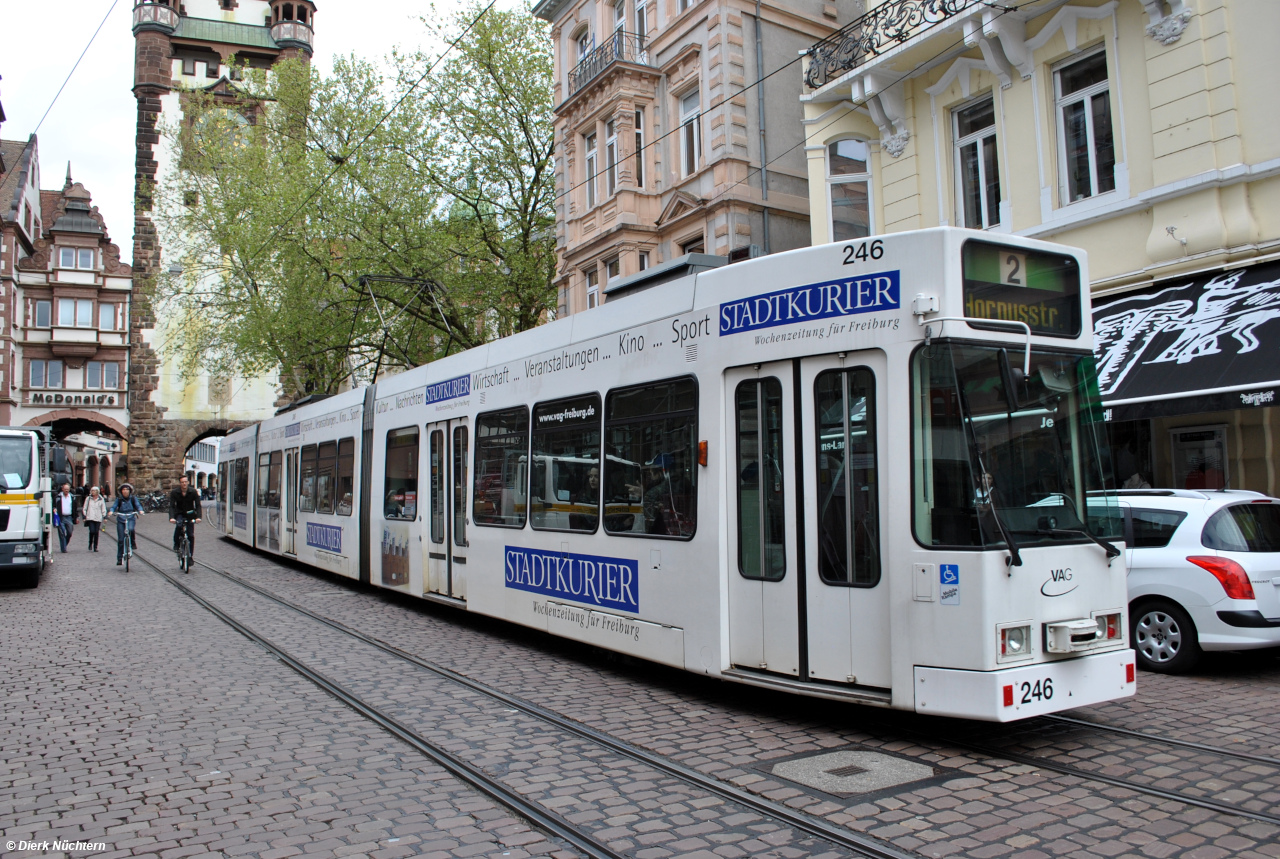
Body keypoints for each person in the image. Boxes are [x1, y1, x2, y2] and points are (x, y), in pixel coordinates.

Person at [169, 475, 202, 566]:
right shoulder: (175, 492)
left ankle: (190, 555)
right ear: (180, 483)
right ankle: (176, 544)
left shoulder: (193, 492)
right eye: (182, 482)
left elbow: (198, 505)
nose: (184, 484)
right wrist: (171, 517)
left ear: (188, 482)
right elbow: (171, 506)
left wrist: (198, 517)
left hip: (190, 514)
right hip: (179, 513)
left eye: (185, 482)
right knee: (179, 525)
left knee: (190, 535)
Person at [109, 484, 143, 565]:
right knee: (121, 539)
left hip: (130, 517)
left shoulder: (133, 498)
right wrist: (111, 511)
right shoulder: (119, 499)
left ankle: (133, 542)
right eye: (123, 490)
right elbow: (114, 506)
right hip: (121, 518)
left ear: (129, 491)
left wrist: (140, 510)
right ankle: (119, 558)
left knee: (131, 529)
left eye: (126, 490)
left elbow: (138, 506)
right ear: (121, 491)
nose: (125, 491)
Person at [54, 482, 79, 553]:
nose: (66, 490)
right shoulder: (58, 497)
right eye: (65, 489)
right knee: (62, 533)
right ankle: (63, 548)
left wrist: (76, 517)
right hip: (60, 517)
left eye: (67, 489)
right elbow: (54, 505)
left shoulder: (72, 497)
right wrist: (54, 509)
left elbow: (75, 508)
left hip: (69, 517)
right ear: (62, 489)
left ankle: (64, 544)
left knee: (70, 532)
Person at [82, 486, 107, 552]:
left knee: (96, 532)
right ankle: (90, 543)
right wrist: (84, 516)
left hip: (98, 517)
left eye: (94, 491)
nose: (92, 492)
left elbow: (103, 508)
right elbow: (85, 507)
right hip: (90, 517)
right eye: (92, 491)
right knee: (92, 531)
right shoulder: (88, 498)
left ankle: (95, 546)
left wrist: (104, 516)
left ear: (97, 492)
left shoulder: (101, 499)